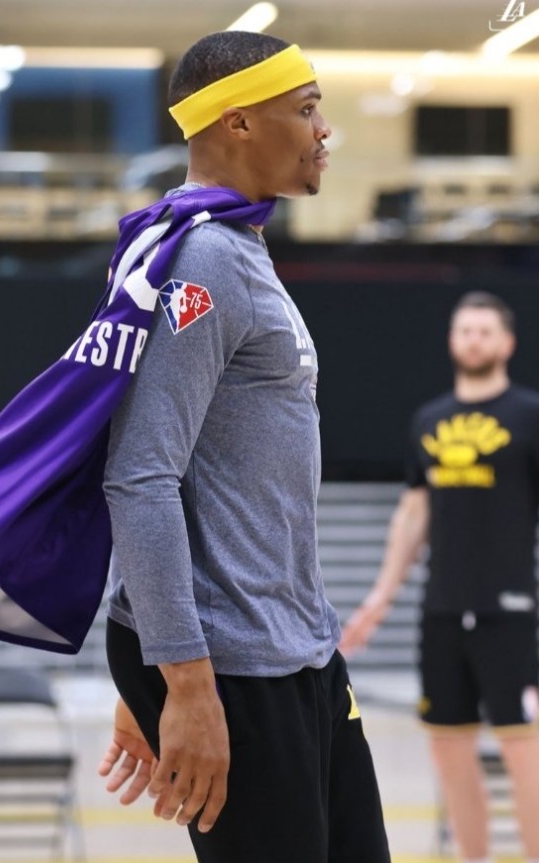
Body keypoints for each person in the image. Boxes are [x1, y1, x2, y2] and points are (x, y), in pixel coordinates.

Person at [97, 30, 391, 863]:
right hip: (233, 664)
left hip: (299, 646)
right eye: (304, 110)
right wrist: (178, 679)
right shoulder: (203, 261)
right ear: (236, 124)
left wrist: (149, 665)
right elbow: (141, 474)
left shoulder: (237, 247)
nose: (323, 130)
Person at [341, 292, 539, 863]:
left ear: (507, 343)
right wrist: (379, 598)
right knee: (450, 752)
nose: (472, 340)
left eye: (484, 331)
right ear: (451, 341)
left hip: (511, 613)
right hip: (443, 611)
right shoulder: (429, 421)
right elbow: (414, 514)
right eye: (464, 330)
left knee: (522, 751)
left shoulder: (529, 417)